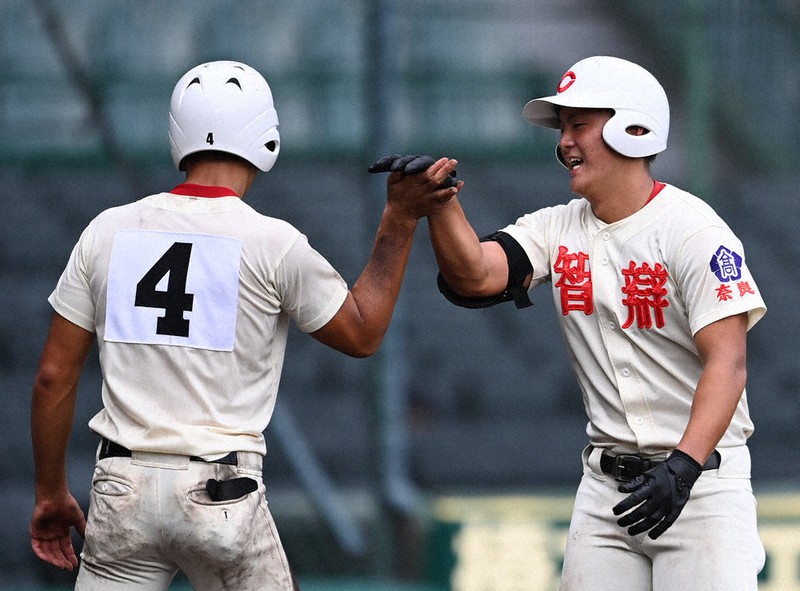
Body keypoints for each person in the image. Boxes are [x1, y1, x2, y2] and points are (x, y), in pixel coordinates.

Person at [29, 60, 460, 590]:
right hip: (220, 490)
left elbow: (52, 376)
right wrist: (400, 217)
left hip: (123, 485)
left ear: (177, 137)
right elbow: (363, 332)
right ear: (267, 139)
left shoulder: (107, 231)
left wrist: (51, 493)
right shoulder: (272, 242)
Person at [375, 56, 767, 589]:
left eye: (579, 124)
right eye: (562, 128)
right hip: (606, 491)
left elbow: (729, 361)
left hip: (700, 487)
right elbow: (475, 276)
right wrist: (441, 203)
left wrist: (683, 467)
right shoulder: (557, 226)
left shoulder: (694, 231)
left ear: (635, 127)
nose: (564, 142)